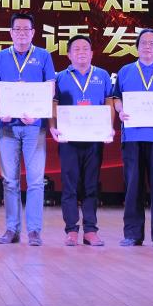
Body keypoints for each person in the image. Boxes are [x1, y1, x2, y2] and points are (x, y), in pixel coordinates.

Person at [0, 12, 56, 246]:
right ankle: (12, 229)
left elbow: (50, 87)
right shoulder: (0, 57)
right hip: (8, 126)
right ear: (10, 32)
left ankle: (34, 231)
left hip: (34, 126)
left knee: (36, 180)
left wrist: (37, 114)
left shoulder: (44, 56)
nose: (21, 33)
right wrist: (1, 107)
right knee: (9, 180)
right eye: (17, 29)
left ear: (33, 32)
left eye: (26, 29)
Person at [112, 28, 153, 249]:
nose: (148, 46)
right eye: (143, 43)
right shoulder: (125, 71)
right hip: (132, 135)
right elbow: (116, 98)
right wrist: (120, 111)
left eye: (152, 43)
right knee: (133, 186)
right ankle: (132, 234)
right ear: (137, 47)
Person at [49, 35, 114, 247]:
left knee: (91, 185)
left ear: (92, 53)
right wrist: (52, 126)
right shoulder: (60, 77)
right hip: (69, 139)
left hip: (94, 139)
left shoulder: (102, 75)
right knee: (69, 186)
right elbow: (53, 105)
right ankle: (71, 230)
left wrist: (109, 127)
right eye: (76, 49)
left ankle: (91, 230)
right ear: (68, 54)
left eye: (85, 48)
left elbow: (109, 103)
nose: (81, 52)